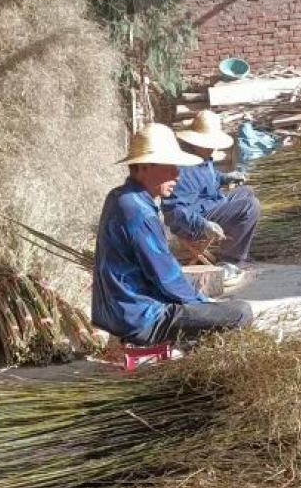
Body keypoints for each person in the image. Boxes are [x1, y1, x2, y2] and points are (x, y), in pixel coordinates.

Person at [92, 123, 254, 346]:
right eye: (169, 166)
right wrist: (202, 303)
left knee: (207, 302)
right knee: (240, 312)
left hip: (116, 310)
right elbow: (166, 278)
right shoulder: (138, 211)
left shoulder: (119, 197)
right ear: (145, 167)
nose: (177, 174)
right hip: (140, 318)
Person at [162, 110, 261, 270]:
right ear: (195, 142)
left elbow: (210, 177)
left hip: (210, 205)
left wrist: (226, 177)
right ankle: (230, 260)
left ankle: (235, 250)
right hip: (194, 223)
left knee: (247, 191)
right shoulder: (183, 169)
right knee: (250, 206)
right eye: (208, 143)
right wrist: (203, 225)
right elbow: (174, 211)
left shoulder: (202, 158)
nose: (212, 148)